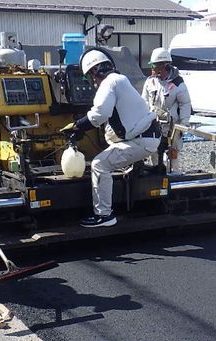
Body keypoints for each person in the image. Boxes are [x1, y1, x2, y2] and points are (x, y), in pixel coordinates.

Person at [64, 49, 160, 228]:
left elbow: (101, 113)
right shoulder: (120, 80)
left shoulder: (109, 82)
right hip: (145, 136)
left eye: (89, 76)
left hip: (141, 140)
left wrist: (78, 126)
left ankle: (104, 215)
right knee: (107, 151)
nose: (92, 81)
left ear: (95, 71)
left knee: (99, 164)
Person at [142, 47, 192, 173]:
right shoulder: (150, 82)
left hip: (172, 126)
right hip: (154, 124)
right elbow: (144, 101)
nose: (152, 68)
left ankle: (174, 175)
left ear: (163, 65)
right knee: (152, 150)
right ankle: (156, 175)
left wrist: (183, 124)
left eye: (154, 65)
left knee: (173, 152)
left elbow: (185, 104)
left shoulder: (178, 84)